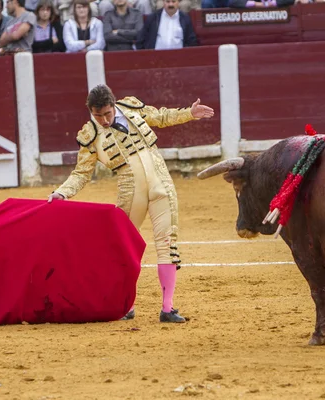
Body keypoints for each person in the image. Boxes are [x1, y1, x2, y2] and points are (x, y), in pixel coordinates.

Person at [47, 84, 214, 323]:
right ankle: (126, 305)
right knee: (124, 248)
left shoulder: (132, 108)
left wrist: (189, 113)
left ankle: (168, 309)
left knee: (167, 243)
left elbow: (162, 116)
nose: (104, 120)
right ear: (90, 112)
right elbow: (82, 173)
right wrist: (62, 192)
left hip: (161, 183)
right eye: (98, 116)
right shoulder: (89, 135)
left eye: (107, 113)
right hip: (130, 191)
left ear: (114, 105)